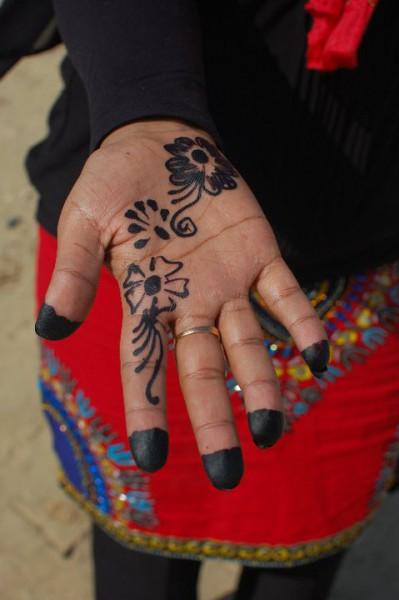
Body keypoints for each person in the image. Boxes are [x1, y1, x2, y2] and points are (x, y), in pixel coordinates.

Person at [6, 0, 399, 598]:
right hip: (135, 230)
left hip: (372, 259)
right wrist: (148, 109)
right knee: (137, 563)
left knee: (299, 572)